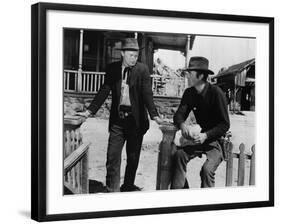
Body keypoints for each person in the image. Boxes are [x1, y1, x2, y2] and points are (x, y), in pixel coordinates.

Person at [77, 38, 163, 192]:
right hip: (118, 120)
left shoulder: (142, 70)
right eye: (131, 55)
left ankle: (128, 186)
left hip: (136, 121)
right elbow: (104, 90)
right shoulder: (112, 69)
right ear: (123, 53)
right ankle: (112, 190)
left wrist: (154, 115)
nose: (134, 58)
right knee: (112, 157)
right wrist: (89, 111)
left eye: (136, 55)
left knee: (133, 158)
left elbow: (147, 94)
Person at [171, 56, 230, 189]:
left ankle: (207, 202)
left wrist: (206, 136)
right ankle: (178, 195)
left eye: (190, 74)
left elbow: (224, 125)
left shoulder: (217, 93)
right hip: (198, 138)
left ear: (200, 75)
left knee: (206, 170)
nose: (187, 77)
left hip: (215, 139)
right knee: (179, 155)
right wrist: (182, 125)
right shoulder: (189, 93)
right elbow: (178, 115)